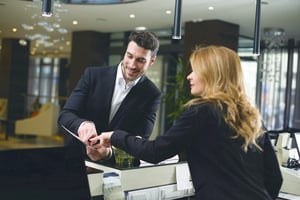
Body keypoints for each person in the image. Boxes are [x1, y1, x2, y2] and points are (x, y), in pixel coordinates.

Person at [91, 45, 283, 199]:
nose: (189, 76)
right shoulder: (251, 116)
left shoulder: (202, 111)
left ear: (212, 75)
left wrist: (115, 135)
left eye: (196, 70)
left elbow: (155, 151)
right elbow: (275, 178)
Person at [58, 31, 162, 163]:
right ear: (125, 52)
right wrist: (82, 125)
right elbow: (65, 115)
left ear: (152, 61)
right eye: (129, 56)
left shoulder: (152, 94)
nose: (132, 65)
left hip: (114, 168)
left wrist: (109, 153)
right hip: (74, 159)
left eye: (140, 60)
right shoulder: (93, 76)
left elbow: (139, 143)